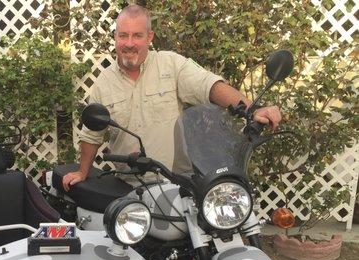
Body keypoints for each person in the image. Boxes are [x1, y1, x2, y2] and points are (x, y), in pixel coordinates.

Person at [62, 4, 282, 190]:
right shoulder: (104, 83)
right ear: (115, 37)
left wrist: (252, 110)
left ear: (149, 37)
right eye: (123, 35)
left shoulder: (171, 65)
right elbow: (92, 135)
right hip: (129, 187)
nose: (129, 43)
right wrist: (83, 172)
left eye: (137, 35)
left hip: (175, 184)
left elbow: (210, 86)